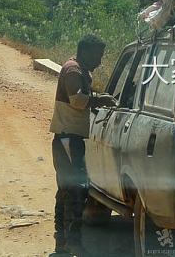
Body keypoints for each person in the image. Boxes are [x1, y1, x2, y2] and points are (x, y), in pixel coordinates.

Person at [49, 35, 116, 256]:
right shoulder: (73, 71)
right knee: (76, 190)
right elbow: (77, 100)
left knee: (67, 189)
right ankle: (72, 242)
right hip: (68, 139)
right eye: (98, 55)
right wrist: (101, 101)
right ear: (86, 52)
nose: (99, 61)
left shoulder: (79, 70)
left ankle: (62, 240)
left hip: (68, 138)